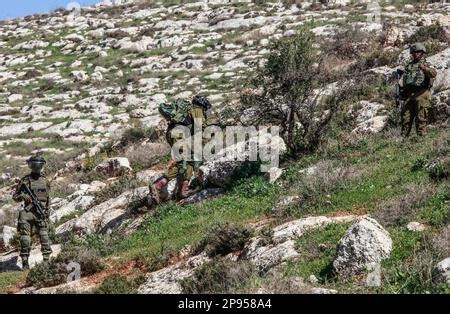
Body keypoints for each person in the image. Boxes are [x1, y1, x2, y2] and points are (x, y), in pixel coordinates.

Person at [148, 95, 211, 207]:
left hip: (174, 134)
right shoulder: (197, 109)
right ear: (203, 105)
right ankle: (158, 186)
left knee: (188, 161)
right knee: (184, 162)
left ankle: (183, 189)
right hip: (179, 134)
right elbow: (200, 128)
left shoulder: (187, 111)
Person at [12, 155, 52, 270]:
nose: (37, 166)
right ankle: (25, 262)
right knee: (25, 238)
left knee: (44, 237)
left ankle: (46, 261)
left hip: (41, 213)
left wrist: (47, 212)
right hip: (28, 213)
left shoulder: (45, 180)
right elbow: (15, 197)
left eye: (38, 164)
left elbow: (48, 198)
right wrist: (23, 196)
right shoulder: (25, 180)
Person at [400, 42, 437, 137]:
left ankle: (421, 139)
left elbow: (433, 74)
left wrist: (425, 69)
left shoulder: (426, 63)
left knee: (421, 118)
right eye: (413, 52)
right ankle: (404, 141)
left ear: (422, 53)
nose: (415, 54)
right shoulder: (409, 65)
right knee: (406, 118)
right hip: (410, 94)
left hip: (422, 93)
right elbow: (405, 79)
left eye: (417, 52)